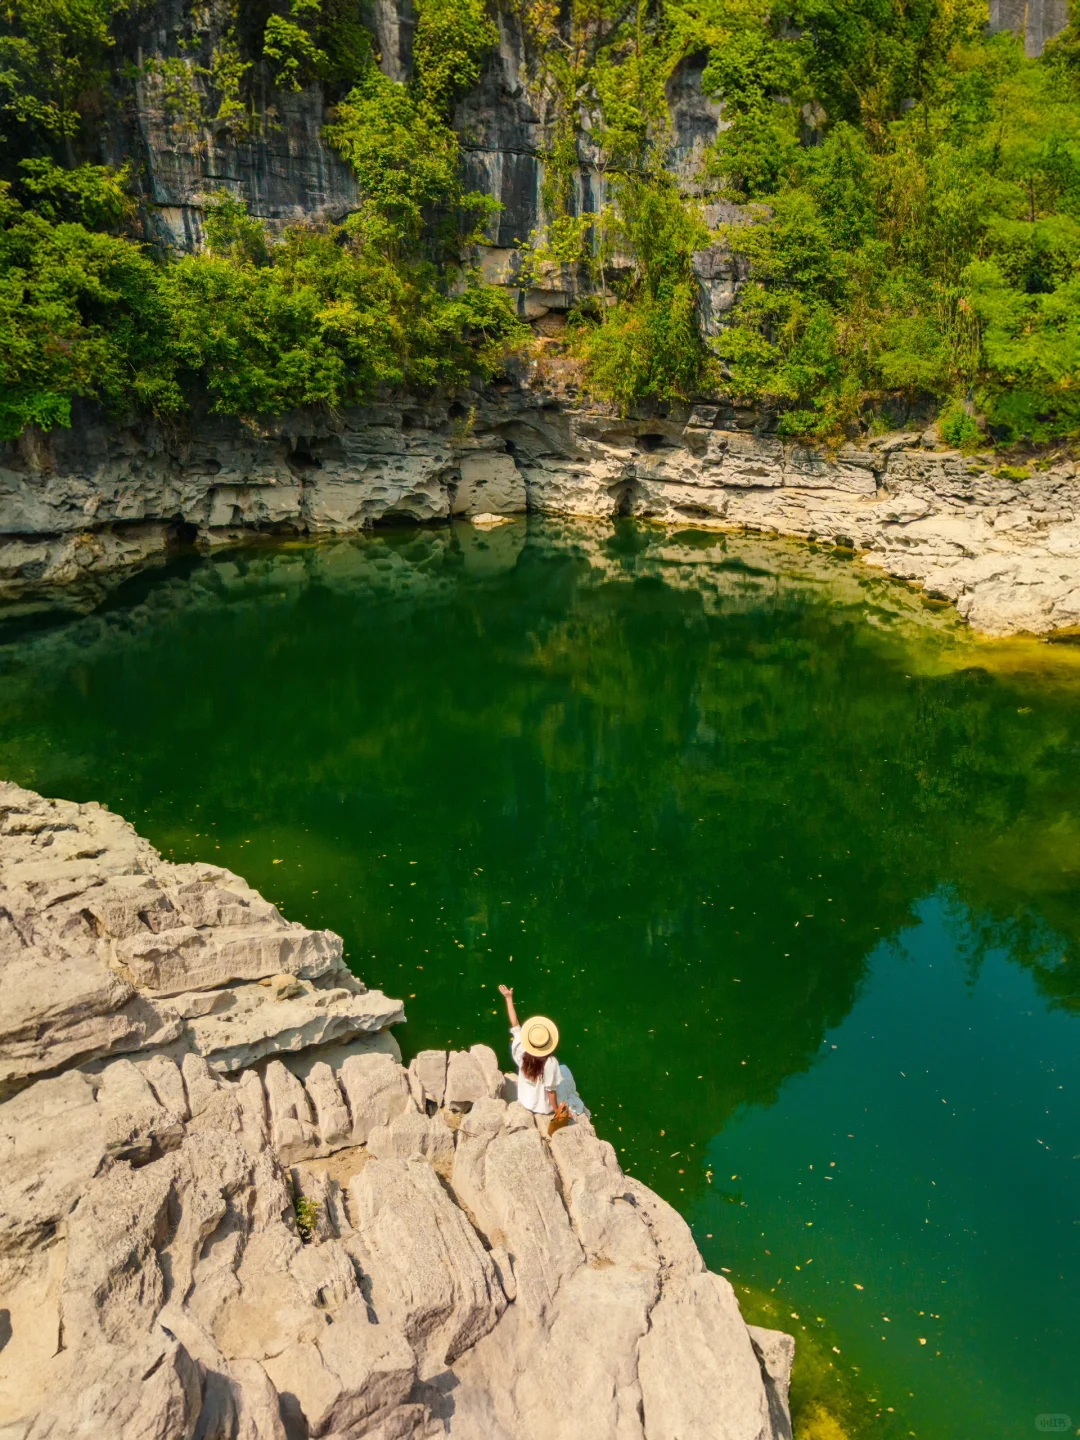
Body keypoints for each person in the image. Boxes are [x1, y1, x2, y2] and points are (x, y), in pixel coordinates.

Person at [498, 983, 571, 1133]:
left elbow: (515, 1026)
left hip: (526, 1099)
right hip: (542, 1106)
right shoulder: (550, 1063)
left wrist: (508, 998)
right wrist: (557, 1111)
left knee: (560, 1074)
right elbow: (551, 1092)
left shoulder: (521, 1051)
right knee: (565, 1072)